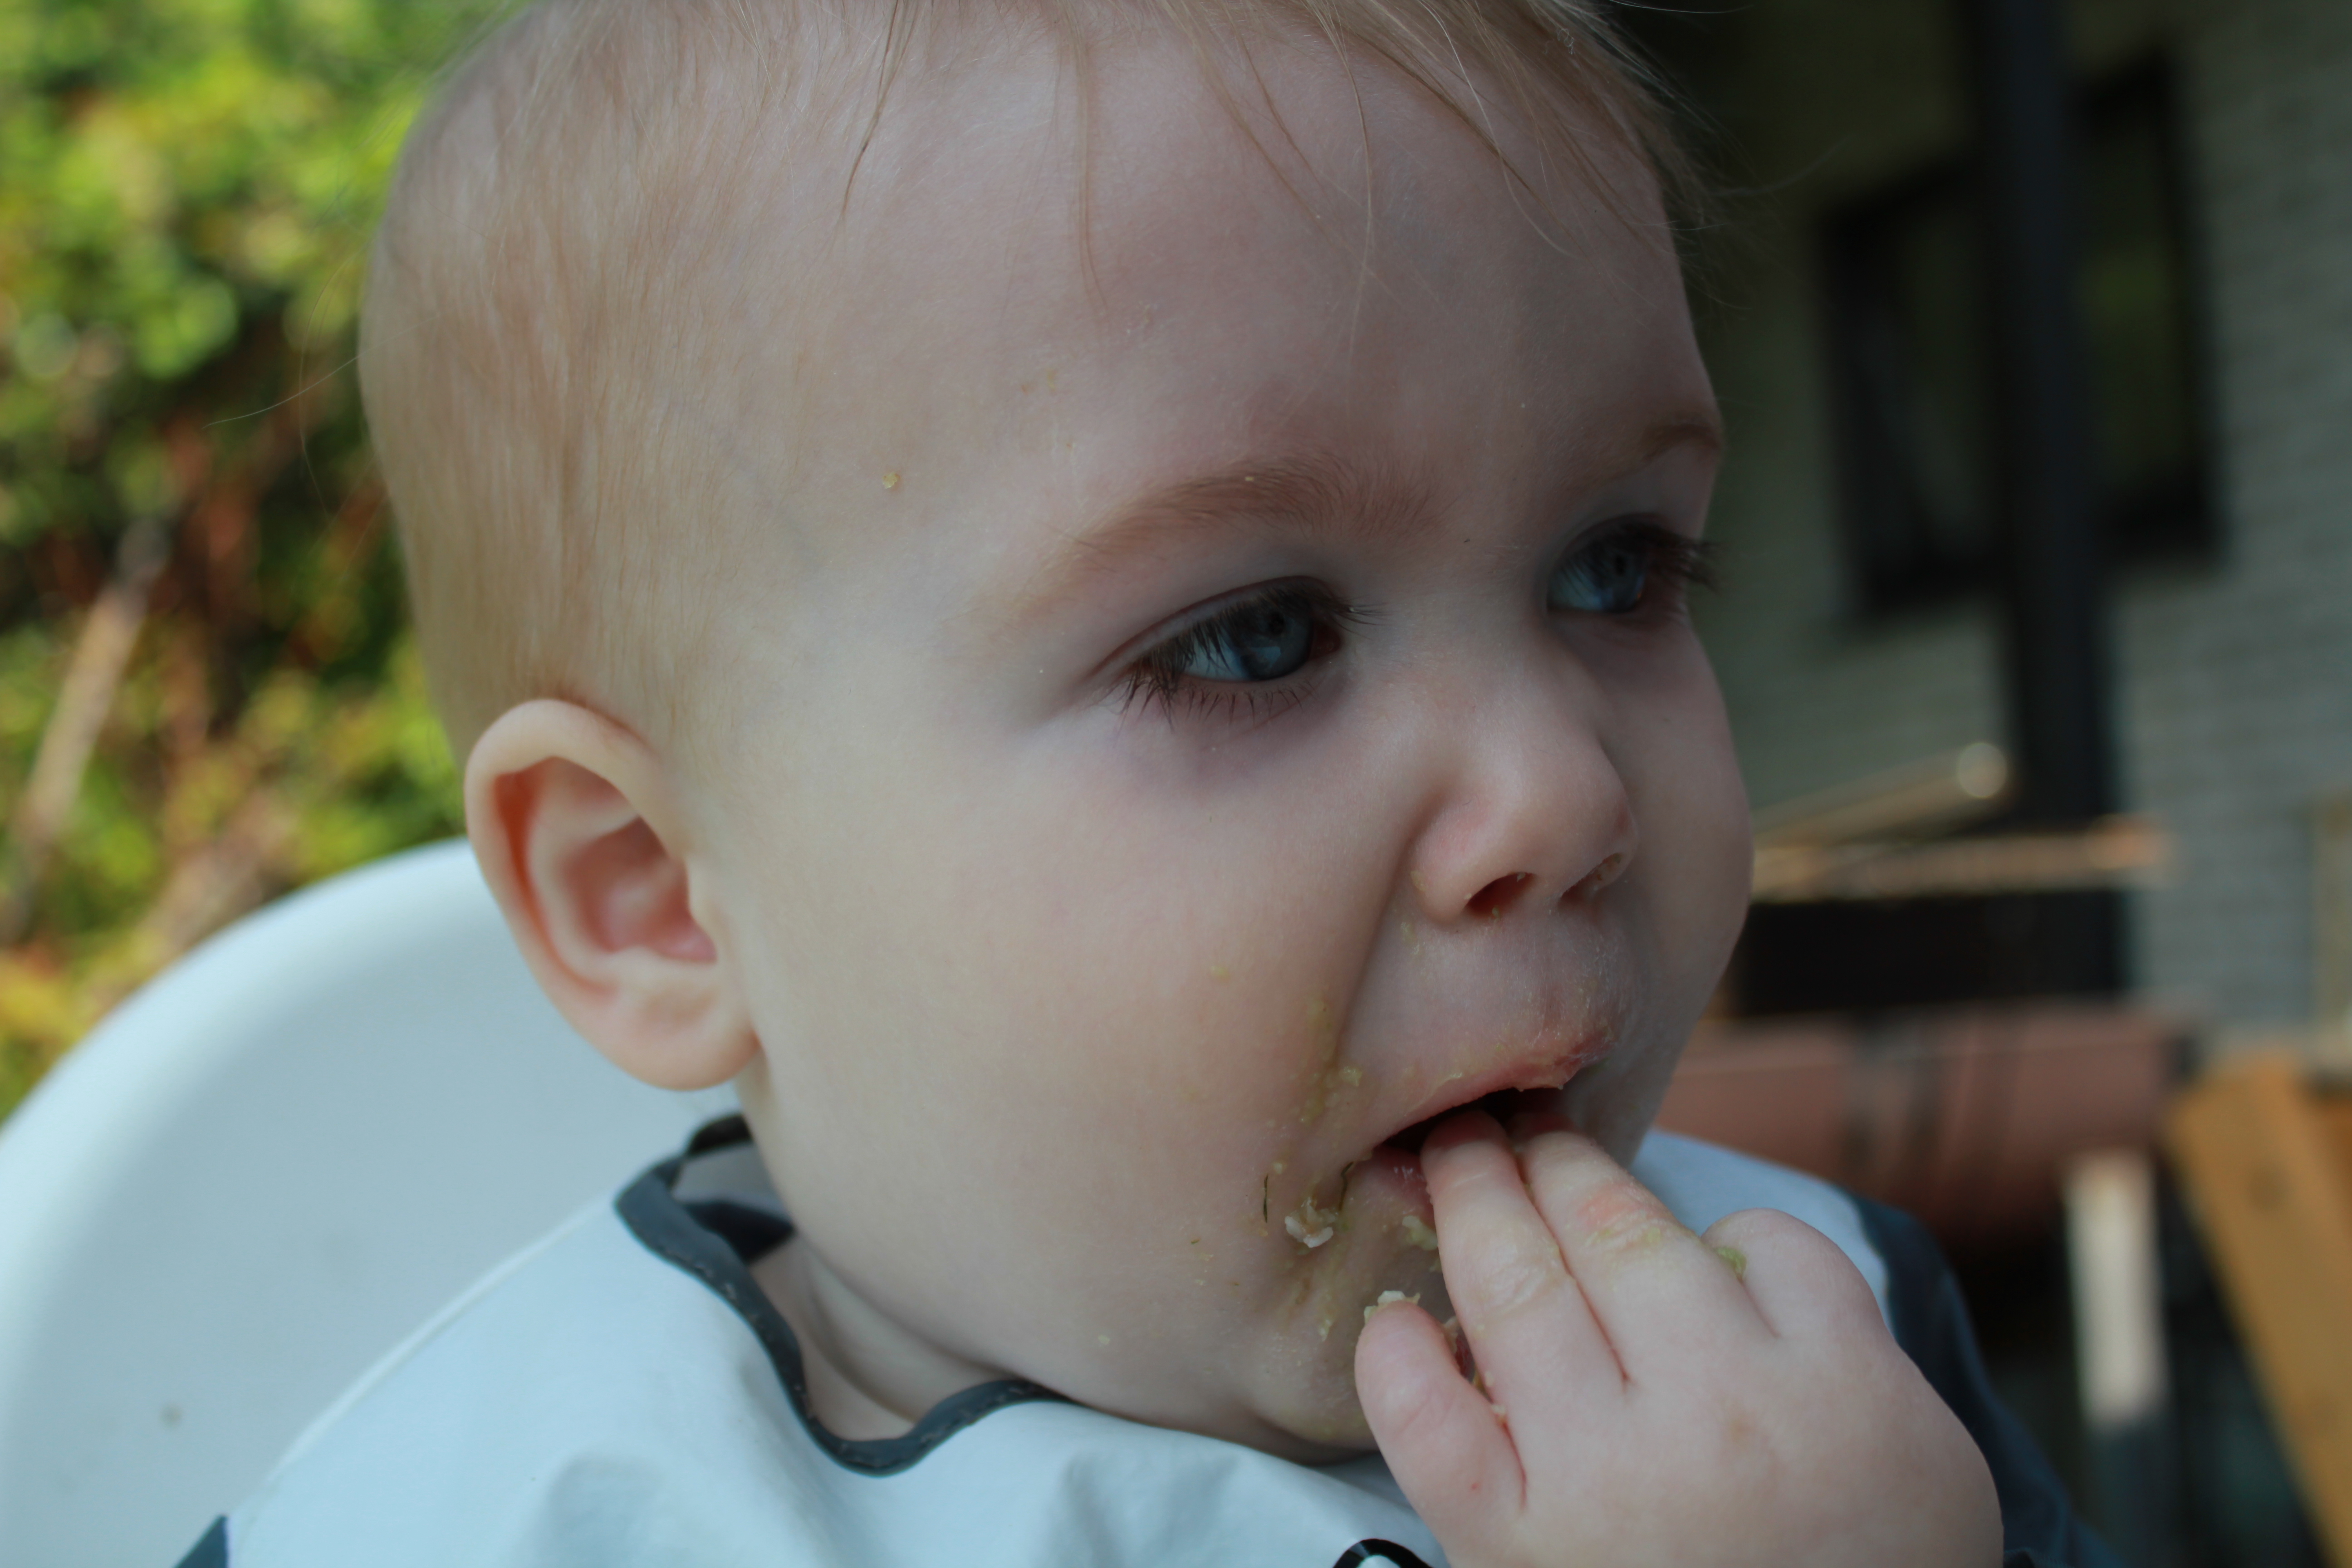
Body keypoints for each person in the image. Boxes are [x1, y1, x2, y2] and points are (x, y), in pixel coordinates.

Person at [173, 0, 2117, 1563]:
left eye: (1617, 568)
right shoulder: (524, 1522)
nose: (1561, 794)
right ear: (664, 898)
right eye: (1254, 638)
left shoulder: (1826, 1356)